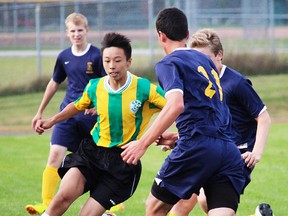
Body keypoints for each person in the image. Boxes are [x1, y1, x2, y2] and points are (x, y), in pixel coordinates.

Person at [121, 7, 245, 216]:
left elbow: (176, 105)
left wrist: (143, 143)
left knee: (154, 208)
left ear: (161, 35)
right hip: (227, 150)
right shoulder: (206, 60)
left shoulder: (168, 63)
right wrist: (180, 136)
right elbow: (212, 111)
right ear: (187, 35)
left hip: (198, 147)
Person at [34, 32, 166, 216]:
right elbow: (78, 105)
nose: (112, 66)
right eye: (107, 61)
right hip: (92, 152)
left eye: (118, 60)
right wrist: (51, 120)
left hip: (122, 161)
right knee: (62, 197)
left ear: (128, 62)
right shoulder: (95, 86)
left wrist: (169, 134)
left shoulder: (144, 88)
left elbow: (174, 106)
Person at [161, 28, 272, 216]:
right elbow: (209, 123)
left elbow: (263, 117)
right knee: (182, 206)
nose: (200, 63)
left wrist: (256, 153)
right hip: (210, 150)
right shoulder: (201, 83)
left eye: (206, 58)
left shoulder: (236, 83)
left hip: (237, 155)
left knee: (204, 199)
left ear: (219, 55)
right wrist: (180, 139)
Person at [25, 12, 106, 215]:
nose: (76, 34)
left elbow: (107, 85)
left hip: (90, 117)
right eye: (72, 31)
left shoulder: (97, 55)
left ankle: (105, 206)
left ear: (86, 31)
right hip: (67, 115)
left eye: (80, 30)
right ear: (67, 33)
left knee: (97, 161)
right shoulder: (64, 57)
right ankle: (46, 204)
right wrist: (39, 111)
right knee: (54, 155)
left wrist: (99, 106)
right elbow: (54, 83)